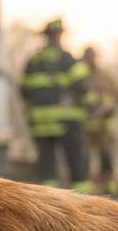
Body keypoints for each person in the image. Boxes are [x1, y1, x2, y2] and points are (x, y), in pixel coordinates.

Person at [20, 19, 92, 192]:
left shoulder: (33, 61)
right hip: (66, 121)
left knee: (46, 163)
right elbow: (82, 88)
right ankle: (82, 199)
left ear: (46, 36)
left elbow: (24, 91)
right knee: (75, 160)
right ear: (59, 35)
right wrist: (91, 107)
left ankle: (49, 200)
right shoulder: (68, 60)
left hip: (40, 122)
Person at [80, 46, 118, 194]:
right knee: (83, 159)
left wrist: (110, 110)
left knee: (107, 158)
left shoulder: (106, 76)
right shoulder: (79, 77)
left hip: (104, 127)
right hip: (85, 127)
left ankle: (109, 189)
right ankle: (87, 189)